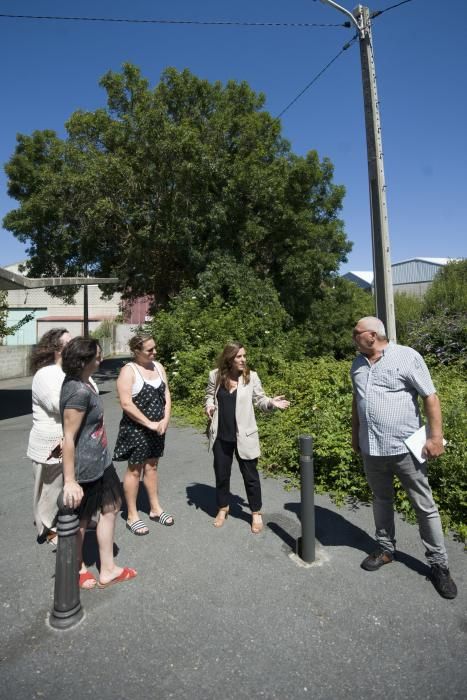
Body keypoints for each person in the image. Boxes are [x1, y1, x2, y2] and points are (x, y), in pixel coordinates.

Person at [350, 316, 457, 599]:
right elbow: (356, 401)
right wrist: (354, 434)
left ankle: (439, 565)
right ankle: (385, 549)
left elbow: (430, 397)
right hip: (372, 449)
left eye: (356, 333)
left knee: (424, 506)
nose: (353, 337)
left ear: (372, 335)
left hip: (405, 450)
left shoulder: (407, 357)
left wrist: (435, 438)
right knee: (381, 500)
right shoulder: (357, 364)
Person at [60, 337, 136, 589]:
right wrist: (70, 481)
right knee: (81, 521)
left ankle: (108, 569)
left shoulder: (84, 382)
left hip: (101, 461)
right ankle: (77, 567)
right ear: (84, 361)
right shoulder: (77, 391)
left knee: (112, 508)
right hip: (85, 468)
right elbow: (68, 438)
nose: (101, 359)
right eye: (97, 356)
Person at [205, 342, 290, 533]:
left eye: (244, 356)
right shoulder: (215, 375)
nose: (243, 359)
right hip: (221, 435)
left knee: (251, 477)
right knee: (221, 474)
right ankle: (223, 508)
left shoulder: (251, 377)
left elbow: (259, 399)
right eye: (239, 356)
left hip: (245, 435)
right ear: (229, 358)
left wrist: (270, 403)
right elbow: (210, 395)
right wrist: (209, 405)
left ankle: (255, 512)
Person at [113, 334, 173, 536]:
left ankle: (155, 508)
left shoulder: (158, 367)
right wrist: (149, 423)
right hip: (136, 430)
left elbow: (166, 394)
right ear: (137, 351)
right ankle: (132, 515)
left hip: (158, 428)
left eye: (154, 348)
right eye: (149, 350)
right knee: (134, 470)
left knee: (152, 466)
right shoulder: (128, 371)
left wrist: (165, 419)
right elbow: (126, 403)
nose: (154, 352)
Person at [27, 328, 72, 547]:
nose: (73, 344)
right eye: (68, 341)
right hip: (49, 442)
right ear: (57, 348)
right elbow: (57, 405)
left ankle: (60, 522)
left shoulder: (69, 371)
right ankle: (47, 528)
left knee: (64, 484)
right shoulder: (45, 374)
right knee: (48, 487)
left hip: (68, 438)